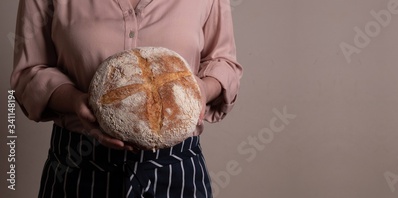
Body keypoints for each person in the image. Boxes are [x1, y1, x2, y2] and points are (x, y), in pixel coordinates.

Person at [11, 0, 243, 197]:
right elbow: (29, 73)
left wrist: (202, 88)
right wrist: (74, 100)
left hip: (175, 170)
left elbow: (224, 63)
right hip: (79, 165)